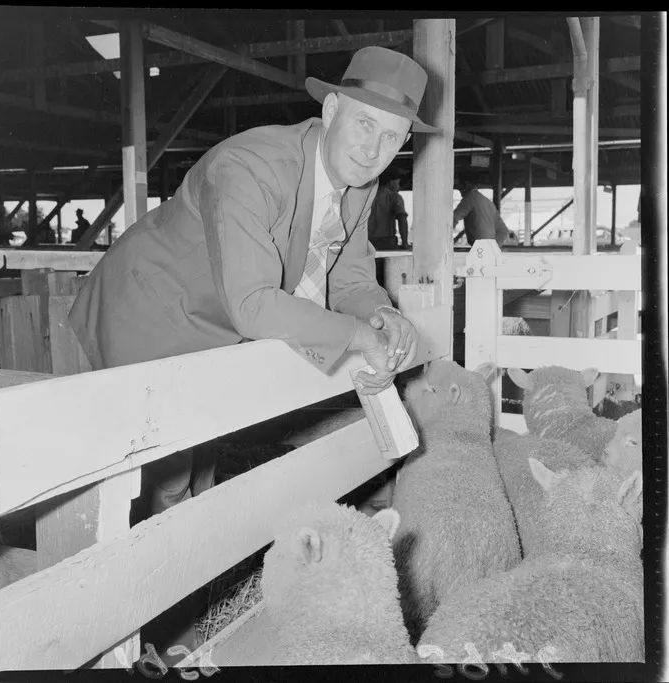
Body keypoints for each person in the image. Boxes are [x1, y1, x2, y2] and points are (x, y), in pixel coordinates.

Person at [68, 46, 439, 520]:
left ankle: (193, 572)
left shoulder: (360, 187)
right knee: (163, 479)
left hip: (214, 325)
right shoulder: (251, 167)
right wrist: (360, 336)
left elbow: (348, 277)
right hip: (148, 309)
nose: (373, 150)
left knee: (199, 463)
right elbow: (252, 302)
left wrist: (382, 314)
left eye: (392, 137)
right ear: (331, 110)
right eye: (365, 124)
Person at [453, 171, 509, 247]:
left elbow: (454, 218)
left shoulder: (470, 197)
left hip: (479, 249)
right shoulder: (488, 202)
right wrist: (493, 248)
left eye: (459, 185)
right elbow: (503, 230)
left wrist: (443, 237)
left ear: (466, 184)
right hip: (486, 249)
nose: (458, 188)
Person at [368, 174, 410, 250]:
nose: (399, 187)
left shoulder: (366, 197)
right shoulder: (394, 197)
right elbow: (402, 220)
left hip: (367, 243)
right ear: (391, 183)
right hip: (387, 243)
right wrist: (405, 243)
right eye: (398, 183)